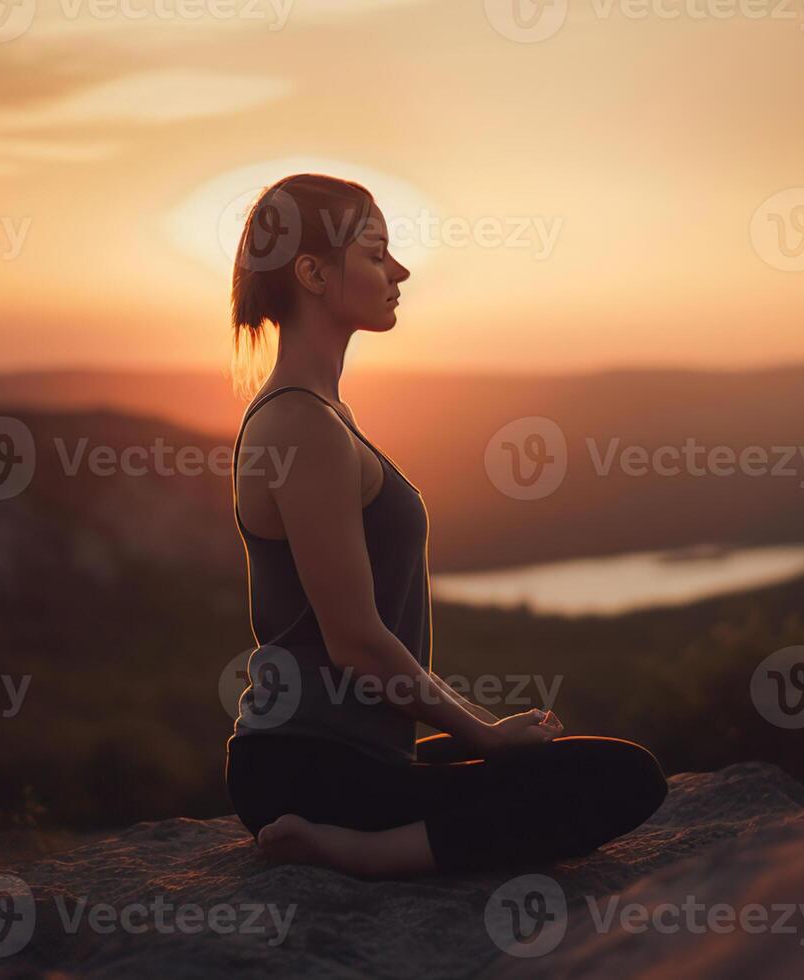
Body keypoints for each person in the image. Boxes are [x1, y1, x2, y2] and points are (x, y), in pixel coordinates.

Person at [222, 173, 668, 878]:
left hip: (353, 756)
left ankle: (377, 831)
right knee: (622, 778)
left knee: (571, 761)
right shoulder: (301, 426)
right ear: (311, 272)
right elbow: (356, 644)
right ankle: (361, 852)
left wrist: (479, 739)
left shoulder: (319, 415)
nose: (398, 271)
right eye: (375, 253)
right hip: (307, 770)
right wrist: (484, 736)